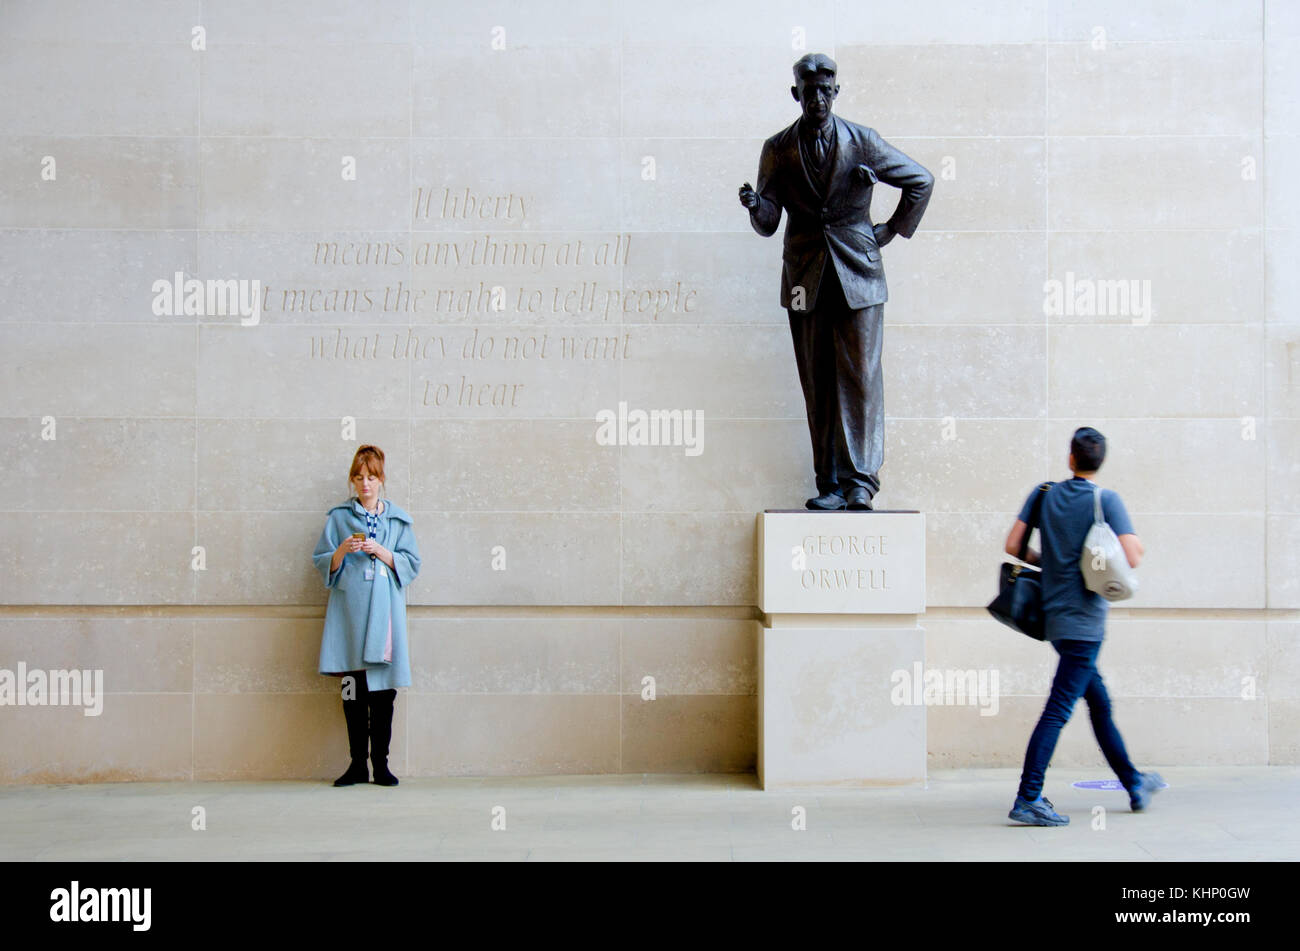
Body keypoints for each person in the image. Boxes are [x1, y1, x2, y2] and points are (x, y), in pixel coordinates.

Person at [739, 52, 933, 511]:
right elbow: (769, 223)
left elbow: (921, 181)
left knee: (861, 377)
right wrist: (754, 207)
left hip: (859, 276)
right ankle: (829, 484)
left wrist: (889, 230)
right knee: (817, 380)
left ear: (837, 92)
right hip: (805, 277)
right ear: (797, 95)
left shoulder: (863, 141)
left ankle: (862, 482)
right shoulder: (778, 148)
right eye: (810, 92)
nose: (819, 99)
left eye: (827, 90)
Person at [1003, 427, 1162, 826]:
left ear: (1070, 457)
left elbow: (1013, 546)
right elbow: (1134, 556)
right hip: (1087, 624)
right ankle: (1028, 797)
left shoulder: (1044, 494)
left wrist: (1053, 561)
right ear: (1100, 461)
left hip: (1053, 620)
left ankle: (1134, 781)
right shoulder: (1105, 500)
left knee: (1099, 703)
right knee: (1058, 710)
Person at [312, 445, 421, 787]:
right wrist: (342, 550)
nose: (364, 484)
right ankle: (357, 764)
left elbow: (412, 563)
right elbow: (321, 560)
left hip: (384, 618)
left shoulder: (397, 520)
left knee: (384, 694)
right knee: (352, 692)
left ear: (381, 479)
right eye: (358, 477)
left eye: (371, 477)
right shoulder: (339, 518)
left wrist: (383, 552)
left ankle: (382, 765)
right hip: (350, 618)